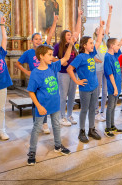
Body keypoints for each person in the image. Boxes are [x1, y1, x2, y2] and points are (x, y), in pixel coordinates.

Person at [26, 35, 76, 165]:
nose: (52, 56)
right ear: (41, 56)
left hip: (54, 103)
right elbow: (31, 91)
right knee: (37, 128)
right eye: (49, 54)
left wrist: (70, 44)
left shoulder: (53, 67)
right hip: (42, 105)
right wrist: (38, 106)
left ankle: (58, 145)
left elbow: (65, 58)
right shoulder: (36, 73)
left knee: (56, 125)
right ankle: (32, 151)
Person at [16, 15, 58, 134]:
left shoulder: (44, 49)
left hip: (45, 78)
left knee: (44, 100)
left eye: (40, 39)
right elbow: (18, 64)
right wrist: (27, 72)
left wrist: (54, 21)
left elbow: (50, 35)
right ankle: (37, 123)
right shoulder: (28, 53)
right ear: (32, 41)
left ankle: (44, 123)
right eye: (36, 39)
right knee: (36, 102)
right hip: (35, 79)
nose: (39, 41)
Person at [67, 19, 105, 143]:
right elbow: (69, 68)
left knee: (93, 109)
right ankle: (81, 131)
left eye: (92, 43)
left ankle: (91, 129)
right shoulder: (80, 57)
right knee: (84, 110)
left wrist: (101, 27)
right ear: (84, 45)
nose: (93, 45)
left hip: (94, 86)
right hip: (85, 88)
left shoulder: (91, 54)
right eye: (90, 43)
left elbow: (99, 41)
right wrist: (76, 81)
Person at [52, 8, 83, 126]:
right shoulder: (58, 46)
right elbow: (52, 57)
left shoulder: (73, 44)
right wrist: (60, 61)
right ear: (64, 36)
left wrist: (79, 17)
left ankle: (70, 115)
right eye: (68, 35)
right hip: (63, 73)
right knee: (63, 95)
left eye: (71, 35)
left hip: (73, 73)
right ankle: (62, 116)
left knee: (72, 95)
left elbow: (77, 31)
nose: (71, 36)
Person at [93, 4, 113, 122]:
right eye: (99, 30)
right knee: (98, 90)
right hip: (98, 68)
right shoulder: (95, 42)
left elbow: (108, 26)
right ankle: (95, 111)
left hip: (106, 68)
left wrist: (110, 13)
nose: (102, 32)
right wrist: (97, 60)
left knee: (105, 90)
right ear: (96, 33)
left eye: (103, 31)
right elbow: (92, 56)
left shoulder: (105, 41)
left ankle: (102, 111)